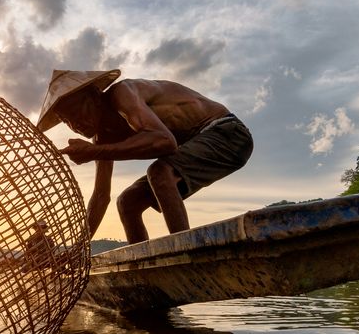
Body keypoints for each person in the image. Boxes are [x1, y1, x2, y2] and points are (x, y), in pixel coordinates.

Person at [36, 69, 253, 243]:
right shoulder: (102, 137)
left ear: (93, 96)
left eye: (76, 113)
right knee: (127, 202)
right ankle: (145, 265)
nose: (75, 125)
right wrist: (79, 249)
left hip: (227, 133)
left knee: (160, 173)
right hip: (200, 142)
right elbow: (101, 196)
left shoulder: (124, 94)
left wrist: (93, 152)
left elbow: (165, 142)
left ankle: (187, 253)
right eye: (67, 121)